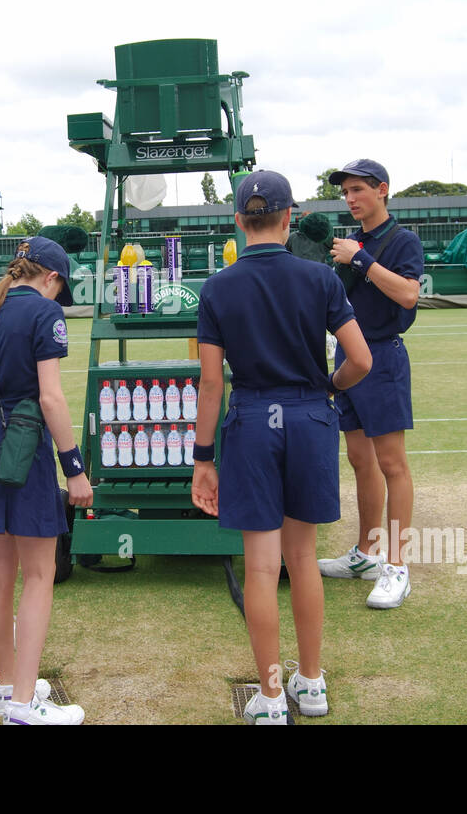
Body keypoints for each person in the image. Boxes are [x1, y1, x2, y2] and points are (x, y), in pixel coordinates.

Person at [191, 171, 371, 725]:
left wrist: (202, 459)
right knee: (304, 561)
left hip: (250, 423)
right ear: (289, 218)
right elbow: (361, 361)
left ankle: (271, 699)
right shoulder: (321, 279)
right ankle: (311, 685)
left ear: (239, 221)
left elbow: (211, 383)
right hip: (309, 416)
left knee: (262, 568)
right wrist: (326, 390)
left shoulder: (218, 287)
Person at [0, 237, 92, 724]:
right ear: (50, 278)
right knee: (39, 574)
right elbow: (51, 399)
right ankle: (20, 705)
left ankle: (11, 685)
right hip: (21, 442)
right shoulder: (43, 314)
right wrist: (74, 468)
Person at [317, 159, 423, 610]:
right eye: (346, 192)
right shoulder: (350, 239)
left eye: (358, 189)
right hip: (347, 355)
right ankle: (365, 553)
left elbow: (408, 294)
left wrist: (360, 260)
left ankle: (396, 566)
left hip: (382, 357)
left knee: (392, 463)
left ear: (382, 189)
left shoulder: (402, 240)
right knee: (360, 460)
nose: (351, 198)